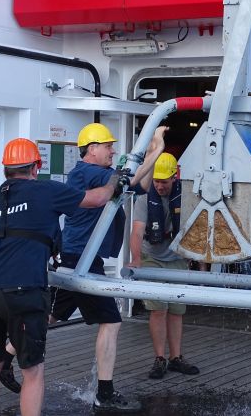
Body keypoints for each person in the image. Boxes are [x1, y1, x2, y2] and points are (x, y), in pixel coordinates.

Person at [0, 138, 120, 416]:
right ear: (36, 167)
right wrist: (114, 181)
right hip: (22, 288)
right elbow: (98, 198)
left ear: (6, 170)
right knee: (32, 370)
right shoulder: (45, 191)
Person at [50, 122, 166, 412]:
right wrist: (157, 149)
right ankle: (105, 392)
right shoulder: (89, 172)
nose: (113, 150)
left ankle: (4, 358)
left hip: (79, 256)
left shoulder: (95, 174)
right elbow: (127, 181)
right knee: (112, 321)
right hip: (83, 258)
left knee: (51, 314)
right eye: (108, 146)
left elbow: (140, 185)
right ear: (92, 150)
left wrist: (152, 156)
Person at [129, 153, 200, 379]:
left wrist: (198, 260)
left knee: (177, 311)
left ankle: (176, 358)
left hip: (178, 258)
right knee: (158, 310)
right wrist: (136, 259)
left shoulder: (187, 197)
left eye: (164, 181)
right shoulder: (143, 200)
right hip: (152, 257)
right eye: (156, 181)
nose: (159, 186)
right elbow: (138, 231)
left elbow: (198, 229)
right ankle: (159, 358)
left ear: (174, 178)